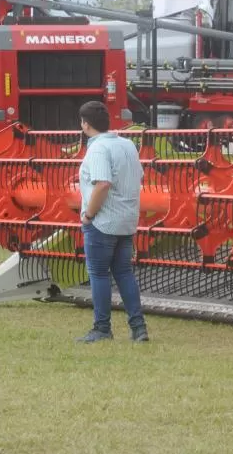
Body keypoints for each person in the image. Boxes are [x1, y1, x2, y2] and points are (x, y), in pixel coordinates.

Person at [76, 100, 149, 343]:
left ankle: (102, 328)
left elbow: (102, 183)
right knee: (124, 273)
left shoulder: (97, 150)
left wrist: (88, 216)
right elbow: (139, 176)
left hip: (102, 222)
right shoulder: (128, 145)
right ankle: (139, 328)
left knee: (98, 274)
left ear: (85, 125)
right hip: (127, 220)